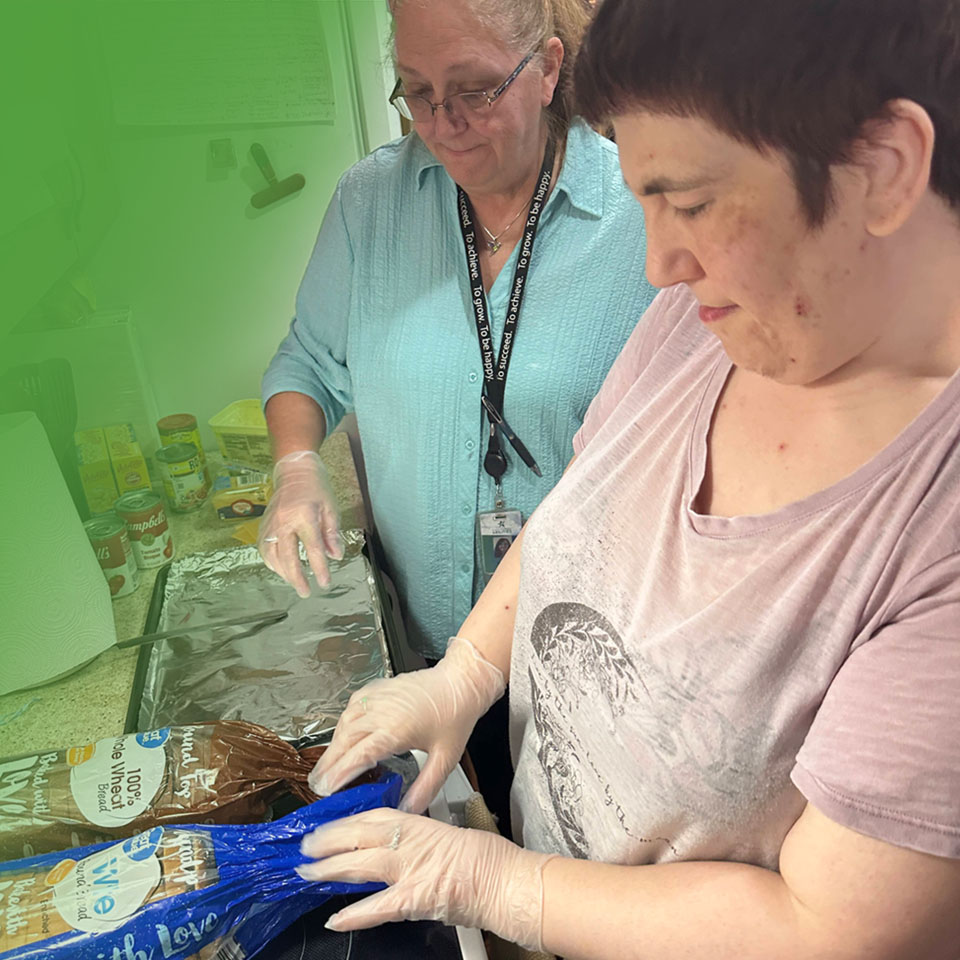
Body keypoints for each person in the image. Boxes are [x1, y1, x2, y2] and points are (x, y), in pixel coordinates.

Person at [295, 0, 960, 956]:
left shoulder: (934, 520)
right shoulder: (712, 319)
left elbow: (827, 929)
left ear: (884, 167)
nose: (658, 265)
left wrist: (490, 881)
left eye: (690, 204)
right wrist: (464, 675)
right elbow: (579, 508)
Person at [258, 0, 656, 832]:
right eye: (417, 92)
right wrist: (297, 467)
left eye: (475, 91)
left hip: (581, 665)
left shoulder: (641, 218)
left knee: (557, 875)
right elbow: (307, 362)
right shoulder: (372, 204)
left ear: (548, 69)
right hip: (419, 646)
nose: (443, 124)